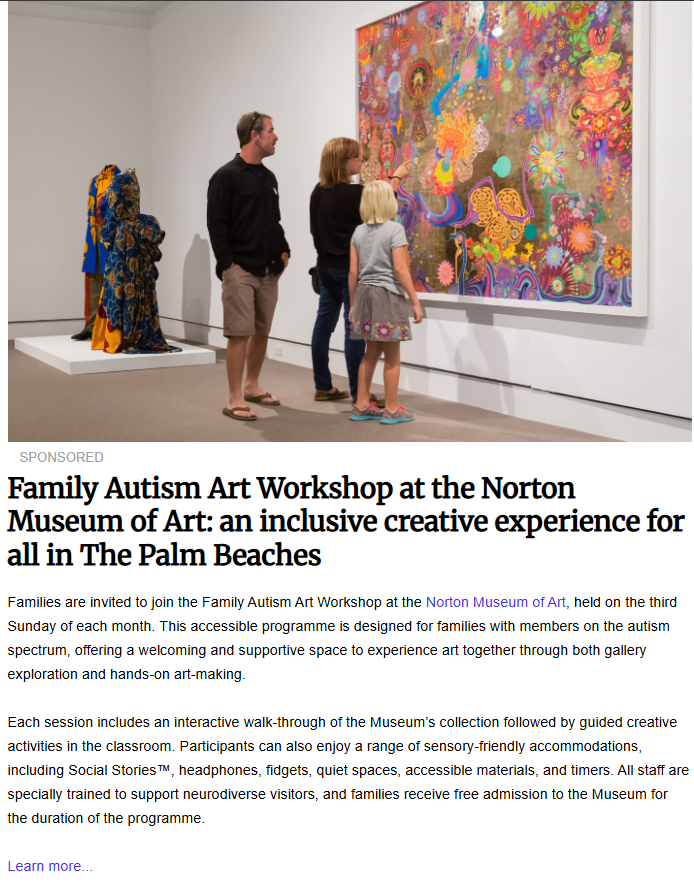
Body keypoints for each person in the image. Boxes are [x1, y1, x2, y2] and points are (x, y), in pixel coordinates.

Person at [309, 138, 410, 404]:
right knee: (354, 331)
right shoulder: (355, 194)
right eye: (356, 158)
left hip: (325, 267)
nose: (360, 162)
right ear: (343, 162)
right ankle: (359, 394)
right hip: (350, 271)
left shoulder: (317, 192)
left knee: (323, 326)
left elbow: (314, 231)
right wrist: (397, 177)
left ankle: (323, 385)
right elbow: (386, 207)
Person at [207, 112, 290, 421]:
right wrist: (227, 265)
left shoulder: (269, 178)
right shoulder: (226, 176)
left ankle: (252, 385)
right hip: (239, 268)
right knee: (239, 332)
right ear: (255, 135)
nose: (276, 136)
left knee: (261, 329)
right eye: (271, 130)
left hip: (269, 268)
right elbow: (217, 224)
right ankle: (234, 397)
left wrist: (284, 252)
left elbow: (274, 221)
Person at [348, 180, 424, 425]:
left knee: (370, 353)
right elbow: (400, 268)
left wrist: (352, 305)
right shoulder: (395, 230)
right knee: (392, 355)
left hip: (364, 294)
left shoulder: (358, 231)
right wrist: (415, 301)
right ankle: (391, 408)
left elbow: (352, 272)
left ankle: (361, 404)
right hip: (387, 295)